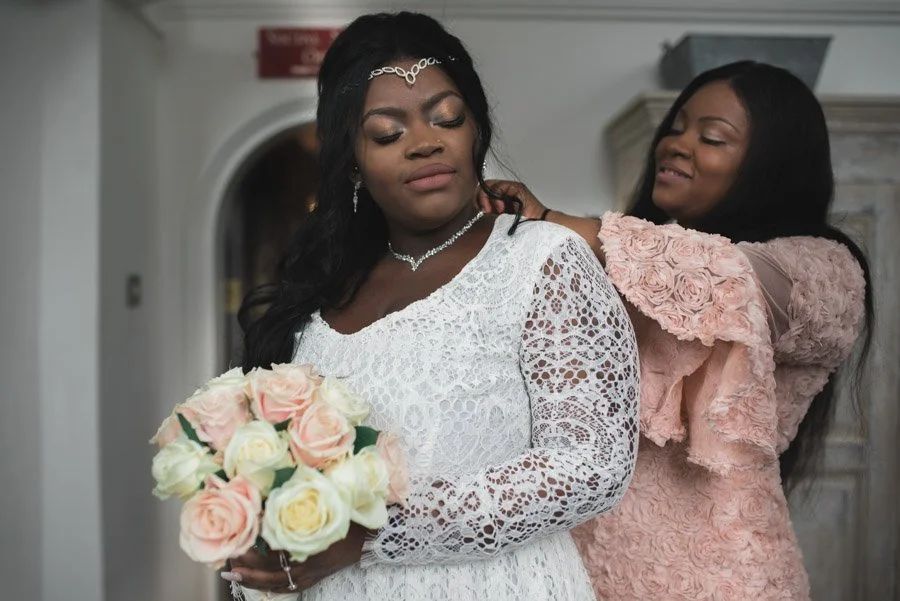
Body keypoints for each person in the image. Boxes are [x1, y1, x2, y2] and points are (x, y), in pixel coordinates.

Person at [225, 11, 640, 601]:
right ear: (352, 161)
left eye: (448, 117)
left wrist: (372, 531)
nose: (425, 142)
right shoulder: (321, 293)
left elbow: (589, 465)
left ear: (476, 129)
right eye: (388, 133)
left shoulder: (542, 262)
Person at [479, 61, 873, 600]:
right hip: (585, 570)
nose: (676, 144)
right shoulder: (615, 259)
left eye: (711, 137)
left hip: (720, 579)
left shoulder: (825, 269)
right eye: (677, 125)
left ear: (773, 165)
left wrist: (554, 220)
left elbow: (729, 280)